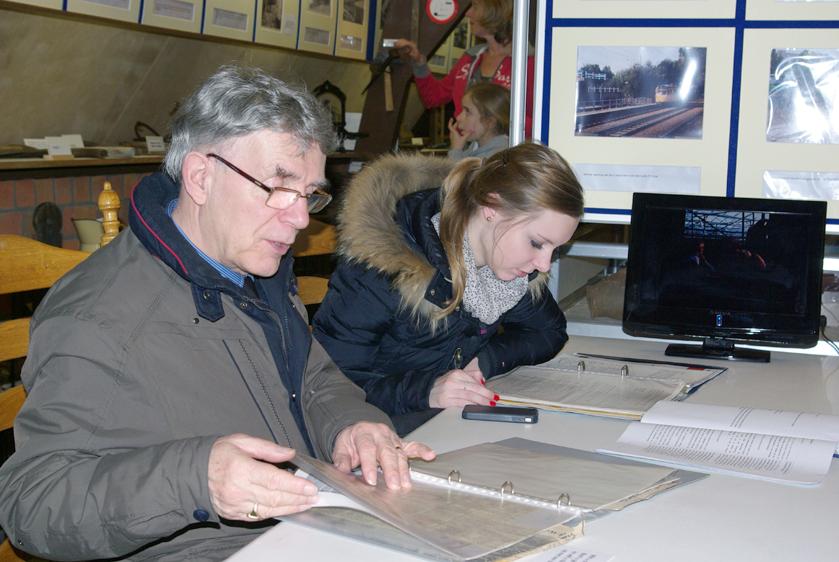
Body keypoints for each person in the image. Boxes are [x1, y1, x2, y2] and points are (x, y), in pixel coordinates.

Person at [0, 65, 434, 561]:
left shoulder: (253, 265)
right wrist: (196, 479)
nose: (300, 218)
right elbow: (30, 504)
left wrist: (351, 426)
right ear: (201, 177)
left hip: (303, 532)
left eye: (310, 193)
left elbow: (313, 377)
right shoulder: (100, 317)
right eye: (278, 186)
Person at [312, 143, 584, 435]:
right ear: (492, 208)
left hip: (445, 430)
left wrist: (485, 362)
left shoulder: (507, 271)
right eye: (536, 242)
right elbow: (327, 386)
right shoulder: (383, 268)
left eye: (555, 249)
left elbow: (549, 331)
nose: (544, 264)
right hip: (377, 434)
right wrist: (425, 390)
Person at [395, 0, 534, 137]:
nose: (468, 13)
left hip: (505, 152)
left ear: (495, 11)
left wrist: (495, 126)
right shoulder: (471, 57)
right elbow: (434, 97)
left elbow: (537, 123)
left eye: (475, 6)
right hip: (466, 151)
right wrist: (419, 63)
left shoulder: (528, 62)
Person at [448, 82, 510, 161]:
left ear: (489, 122)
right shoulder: (475, 147)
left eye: (468, 112)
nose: (458, 117)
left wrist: (456, 150)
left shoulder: (497, 157)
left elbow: (458, 173)